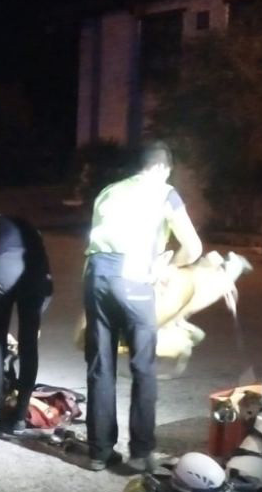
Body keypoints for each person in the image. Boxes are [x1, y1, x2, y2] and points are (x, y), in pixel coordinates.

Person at [82, 140, 201, 471]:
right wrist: (167, 267)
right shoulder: (165, 193)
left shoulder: (108, 191)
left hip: (96, 276)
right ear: (162, 167)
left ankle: (99, 452)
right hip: (133, 277)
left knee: (100, 365)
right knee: (143, 366)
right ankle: (140, 452)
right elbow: (193, 247)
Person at [0, 214, 52, 434]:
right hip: (35, 272)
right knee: (29, 345)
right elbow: (47, 279)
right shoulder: (31, 229)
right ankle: (20, 418)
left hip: (4, 267)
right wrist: (37, 320)